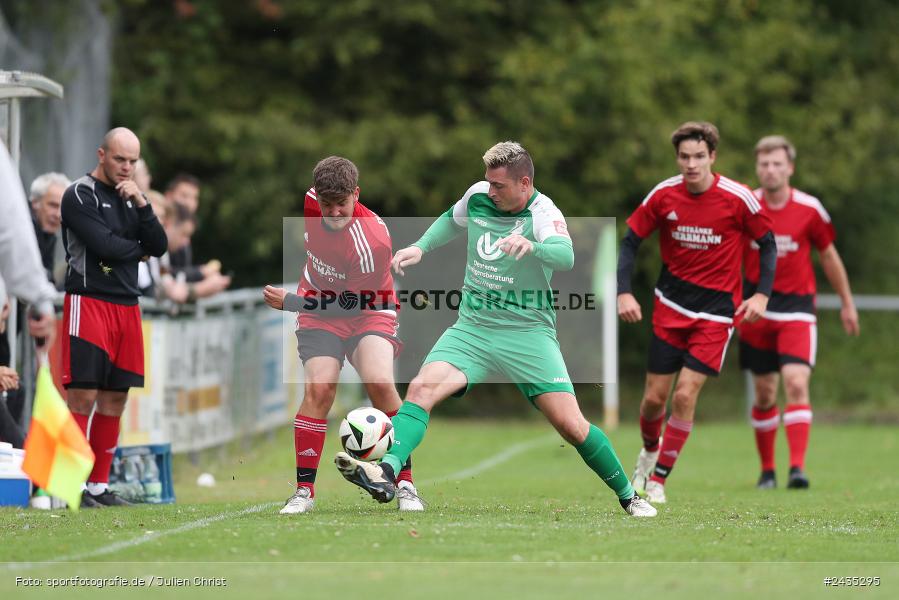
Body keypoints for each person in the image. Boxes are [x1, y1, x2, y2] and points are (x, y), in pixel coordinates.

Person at [332, 142, 657, 518]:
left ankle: (630, 496)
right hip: (473, 328)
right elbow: (451, 220)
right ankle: (385, 471)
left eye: (498, 186)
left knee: (571, 425)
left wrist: (532, 246)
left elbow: (565, 256)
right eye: (488, 183)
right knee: (421, 388)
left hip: (528, 334)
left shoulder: (543, 212)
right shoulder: (478, 196)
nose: (490, 191)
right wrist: (421, 247)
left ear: (524, 182)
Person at [618, 122, 777, 505]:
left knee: (685, 395)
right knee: (654, 400)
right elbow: (630, 241)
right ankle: (648, 451)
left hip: (717, 314)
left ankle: (658, 480)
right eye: (685, 157)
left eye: (699, 157)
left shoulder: (738, 198)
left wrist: (761, 297)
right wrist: (623, 292)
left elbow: (768, 245)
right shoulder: (664, 195)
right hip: (670, 308)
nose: (691, 164)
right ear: (677, 158)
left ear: (712, 157)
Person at [263, 156, 423, 514]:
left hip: (368, 310)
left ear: (357, 194)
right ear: (316, 197)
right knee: (320, 389)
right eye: (326, 205)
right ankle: (304, 492)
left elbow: (351, 306)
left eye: (342, 204)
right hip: (320, 312)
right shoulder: (312, 201)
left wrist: (292, 301)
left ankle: (405, 482)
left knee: (380, 382)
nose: (334, 213)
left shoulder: (372, 241)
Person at [740, 135, 859, 490]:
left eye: (777, 163)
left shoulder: (810, 209)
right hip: (756, 308)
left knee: (795, 382)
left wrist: (847, 301)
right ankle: (767, 471)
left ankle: (797, 469)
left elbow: (829, 255)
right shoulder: (745, 207)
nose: (770, 170)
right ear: (757, 168)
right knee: (764, 392)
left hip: (797, 309)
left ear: (790, 168)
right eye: (764, 164)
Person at [60, 127, 167, 508]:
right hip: (88, 301)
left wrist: (141, 202)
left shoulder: (131, 195)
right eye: (119, 159)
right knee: (82, 394)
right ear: (101, 154)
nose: (126, 167)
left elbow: (159, 245)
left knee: (115, 398)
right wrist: (138, 250)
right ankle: (68, 486)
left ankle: (97, 487)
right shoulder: (79, 194)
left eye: (132, 161)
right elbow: (102, 245)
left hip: (127, 305)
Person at [29, 172, 70, 283]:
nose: (57, 215)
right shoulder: (21, 230)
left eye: (63, 208)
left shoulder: (48, 235)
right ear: (35, 203)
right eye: (53, 205)